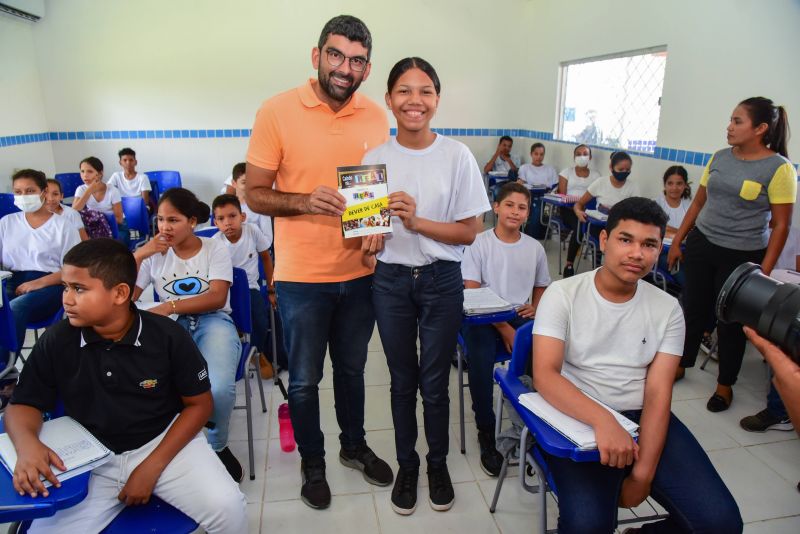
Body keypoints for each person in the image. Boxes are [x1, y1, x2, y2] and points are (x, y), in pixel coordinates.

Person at [244, 15, 393, 509]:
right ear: (317, 56)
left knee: (352, 370)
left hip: (361, 275)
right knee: (305, 379)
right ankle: (314, 462)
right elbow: (256, 194)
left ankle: (353, 447)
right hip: (301, 278)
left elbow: (373, 187)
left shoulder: (375, 115)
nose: (344, 68)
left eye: (355, 60)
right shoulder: (277, 110)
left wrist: (376, 224)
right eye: (335, 55)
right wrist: (305, 201)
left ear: (367, 68)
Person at [5, 239, 247, 533]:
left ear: (120, 293)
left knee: (229, 508)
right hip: (91, 458)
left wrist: (151, 467)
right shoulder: (58, 340)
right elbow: (22, 404)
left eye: (79, 289)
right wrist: (28, 446)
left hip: (164, 444)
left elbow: (200, 404)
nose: (66, 299)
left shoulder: (167, 336)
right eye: (65, 287)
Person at [533, 197, 742, 534]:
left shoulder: (668, 309)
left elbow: (659, 395)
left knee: (721, 524)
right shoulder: (563, 294)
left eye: (649, 245)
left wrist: (642, 473)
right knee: (588, 526)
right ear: (604, 241)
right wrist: (603, 421)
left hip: (639, 417)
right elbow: (545, 375)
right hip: (578, 416)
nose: (636, 254)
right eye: (625, 240)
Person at [361, 57, 490, 516]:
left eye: (425, 91)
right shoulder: (374, 158)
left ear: (437, 99)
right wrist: (367, 241)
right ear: (390, 99)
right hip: (390, 282)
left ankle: (437, 464)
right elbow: (364, 242)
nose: (415, 101)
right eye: (404, 91)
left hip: (441, 280)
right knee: (401, 381)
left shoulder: (456, 156)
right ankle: (408, 464)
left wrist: (417, 222)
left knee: (434, 383)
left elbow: (469, 232)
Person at [667, 97, 796, 407]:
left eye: (738, 121)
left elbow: (780, 226)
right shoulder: (720, 157)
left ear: (761, 128)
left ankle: (725, 385)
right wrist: (678, 240)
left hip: (742, 256)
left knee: (731, 321)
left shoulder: (780, 169)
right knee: (693, 308)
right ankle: (682, 363)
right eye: (731, 119)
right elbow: (698, 203)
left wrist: (762, 271)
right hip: (702, 243)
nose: (729, 126)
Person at [132, 188, 243, 482]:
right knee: (151, 385)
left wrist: (168, 305)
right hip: (170, 329)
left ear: (192, 221)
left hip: (213, 321)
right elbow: (125, 294)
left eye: (173, 220)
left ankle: (217, 446)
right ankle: (172, 447)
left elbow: (217, 297)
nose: (164, 228)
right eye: (160, 220)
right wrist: (141, 254)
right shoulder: (154, 253)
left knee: (217, 388)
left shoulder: (213, 248)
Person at [461, 182, 550, 476]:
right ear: (496, 207)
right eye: (509, 205)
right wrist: (505, 329)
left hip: (517, 313)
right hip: (481, 316)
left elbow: (541, 284)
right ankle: (486, 430)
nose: (515, 211)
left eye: (522, 207)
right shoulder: (478, 243)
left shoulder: (534, 248)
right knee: (481, 358)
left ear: (528, 213)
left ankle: (531, 425)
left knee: (546, 350)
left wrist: (536, 307)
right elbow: (472, 294)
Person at [0, 169, 81, 370]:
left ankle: (4, 370)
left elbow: (74, 270)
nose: (23, 196)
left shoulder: (63, 226)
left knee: (14, 309)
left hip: (51, 284)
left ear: (44, 192)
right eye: (18, 192)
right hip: (12, 280)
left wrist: (36, 283)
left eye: (29, 190)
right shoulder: (7, 223)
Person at [211, 193, 275, 380]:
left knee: (259, 317)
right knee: (222, 319)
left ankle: (257, 353)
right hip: (224, 290)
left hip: (250, 288)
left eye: (232, 216)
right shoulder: (215, 243)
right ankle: (234, 350)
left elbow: (266, 258)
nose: (227, 223)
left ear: (243, 217)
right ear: (215, 222)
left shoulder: (252, 231)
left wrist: (271, 288)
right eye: (221, 219)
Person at [570, 151, 639, 273]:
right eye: (620, 169)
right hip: (599, 224)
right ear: (611, 168)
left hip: (620, 226)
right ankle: (594, 268)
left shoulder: (632, 187)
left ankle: (615, 269)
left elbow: (635, 212)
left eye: (627, 170)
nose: (624, 172)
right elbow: (579, 204)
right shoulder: (601, 182)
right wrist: (578, 212)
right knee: (601, 237)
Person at [558, 144, 601, 277]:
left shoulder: (596, 175)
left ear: (590, 157)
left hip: (589, 210)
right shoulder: (566, 172)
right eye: (578, 154)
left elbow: (597, 195)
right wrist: (576, 202)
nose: (582, 157)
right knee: (580, 226)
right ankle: (569, 264)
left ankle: (598, 267)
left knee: (599, 229)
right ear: (574, 157)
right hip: (568, 209)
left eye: (585, 154)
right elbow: (562, 195)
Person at [72, 156, 128, 244]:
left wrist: (102, 221)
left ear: (100, 174)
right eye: (82, 171)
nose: (85, 175)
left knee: (109, 246)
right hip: (95, 225)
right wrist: (89, 191)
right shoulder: (81, 189)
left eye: (90, 171)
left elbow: (119, 219)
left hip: (116, 225)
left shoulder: (112, 190)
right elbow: (73, 212)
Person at [654, 166, 691, 286]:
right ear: (664, 185)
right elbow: (658, 229)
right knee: (686, 278)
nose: (674, 188)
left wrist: (671, 229)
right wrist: (682, 232)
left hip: (685, 252)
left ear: (685, 185)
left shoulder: (690, 206)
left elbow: (693, 231)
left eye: (679, 183)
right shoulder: (656, 204)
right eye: (670, 183)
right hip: (661, 254)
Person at [230, 162, 273, 246]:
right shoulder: (227, 207)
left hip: (255, 252)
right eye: (244, 182)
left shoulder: (260, 208)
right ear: (234, 183)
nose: (249, 187)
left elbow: (268, 240)